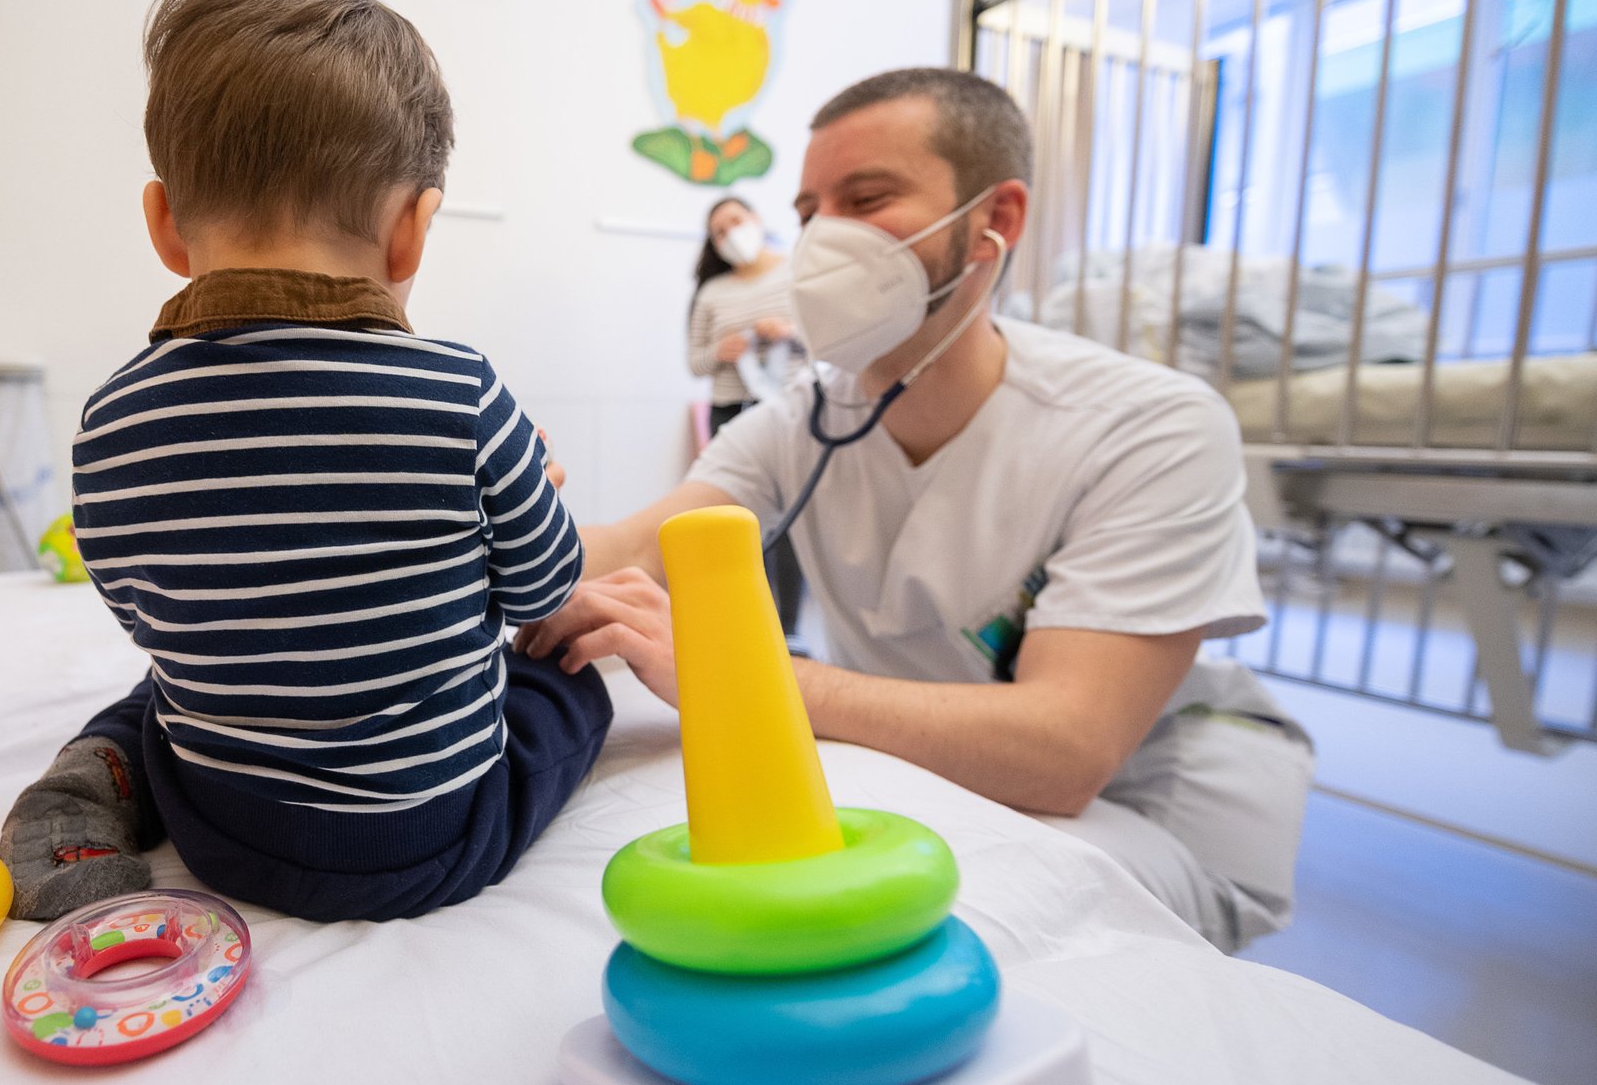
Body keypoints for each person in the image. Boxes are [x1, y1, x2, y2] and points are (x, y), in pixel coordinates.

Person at [521, 68, 1313, 953]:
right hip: (928, 764)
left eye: (868, 198)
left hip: (1146, 801)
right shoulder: (802, 419)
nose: (824, 238)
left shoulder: (1151, 426)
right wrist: (481, 507)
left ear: (995, 222)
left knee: (915, 922)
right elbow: (629, 548)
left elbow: (1066, 749)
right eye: (812, 208)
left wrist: (733, 670)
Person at [0, 0, 611, 924]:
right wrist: (525, 485)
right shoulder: (461, 390)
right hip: (433, 840)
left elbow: (150, 619)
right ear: (411, 232)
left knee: (168, 689)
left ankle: (101, 771)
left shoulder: (111, 419)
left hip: (222, 831)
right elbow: (543, 591)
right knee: (568, 686)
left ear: (163, 223)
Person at [685, 196, 806, 633]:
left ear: (757, 218)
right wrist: (719, 352)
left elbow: (827, 340)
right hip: (730, 413)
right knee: (741, 522)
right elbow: (694, 362)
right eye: (719, 231)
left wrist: (790, 334)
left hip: (788, 413)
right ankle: (753, 622)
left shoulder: (797, 272)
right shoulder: (712, 293)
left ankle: (788, 628)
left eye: (735, 221)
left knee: (791, 523)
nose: (730, 233)